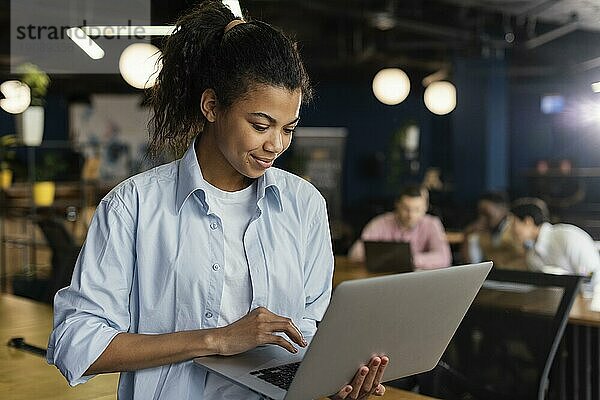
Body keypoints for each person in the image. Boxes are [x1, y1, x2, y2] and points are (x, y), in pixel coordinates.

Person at [47, 2, 388, 399]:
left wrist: (335, 380)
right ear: (212, 106)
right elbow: (76, 343)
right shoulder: (133, 206)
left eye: (288, 128)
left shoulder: (304, 205)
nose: (275, 144)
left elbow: (310, 332)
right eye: (260, 125)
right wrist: (218, 339)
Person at [510, 198, 600, 302]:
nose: (511, 230)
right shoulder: (532, 254)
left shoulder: (566, 237)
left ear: (528, 222)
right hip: (559, 304)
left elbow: (592, 276)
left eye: (513, 223)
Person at [348, 184, 451, 269]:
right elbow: (355, 254)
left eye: (417, 209)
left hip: (419, 281)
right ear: (397, 205)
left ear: (425, 208)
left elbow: (444, 258)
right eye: (406, 209)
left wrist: (407, 259)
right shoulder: (381, 222)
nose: (411, 215)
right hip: (385, 280)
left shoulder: (432, 224)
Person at [460, 191, 526, 269]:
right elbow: (471, 263)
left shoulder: (517, 226)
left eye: (486, 213)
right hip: (494, 277)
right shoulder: (481, 233)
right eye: (480, 213)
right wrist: (467, 236)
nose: (482, 218)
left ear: (502, 209)